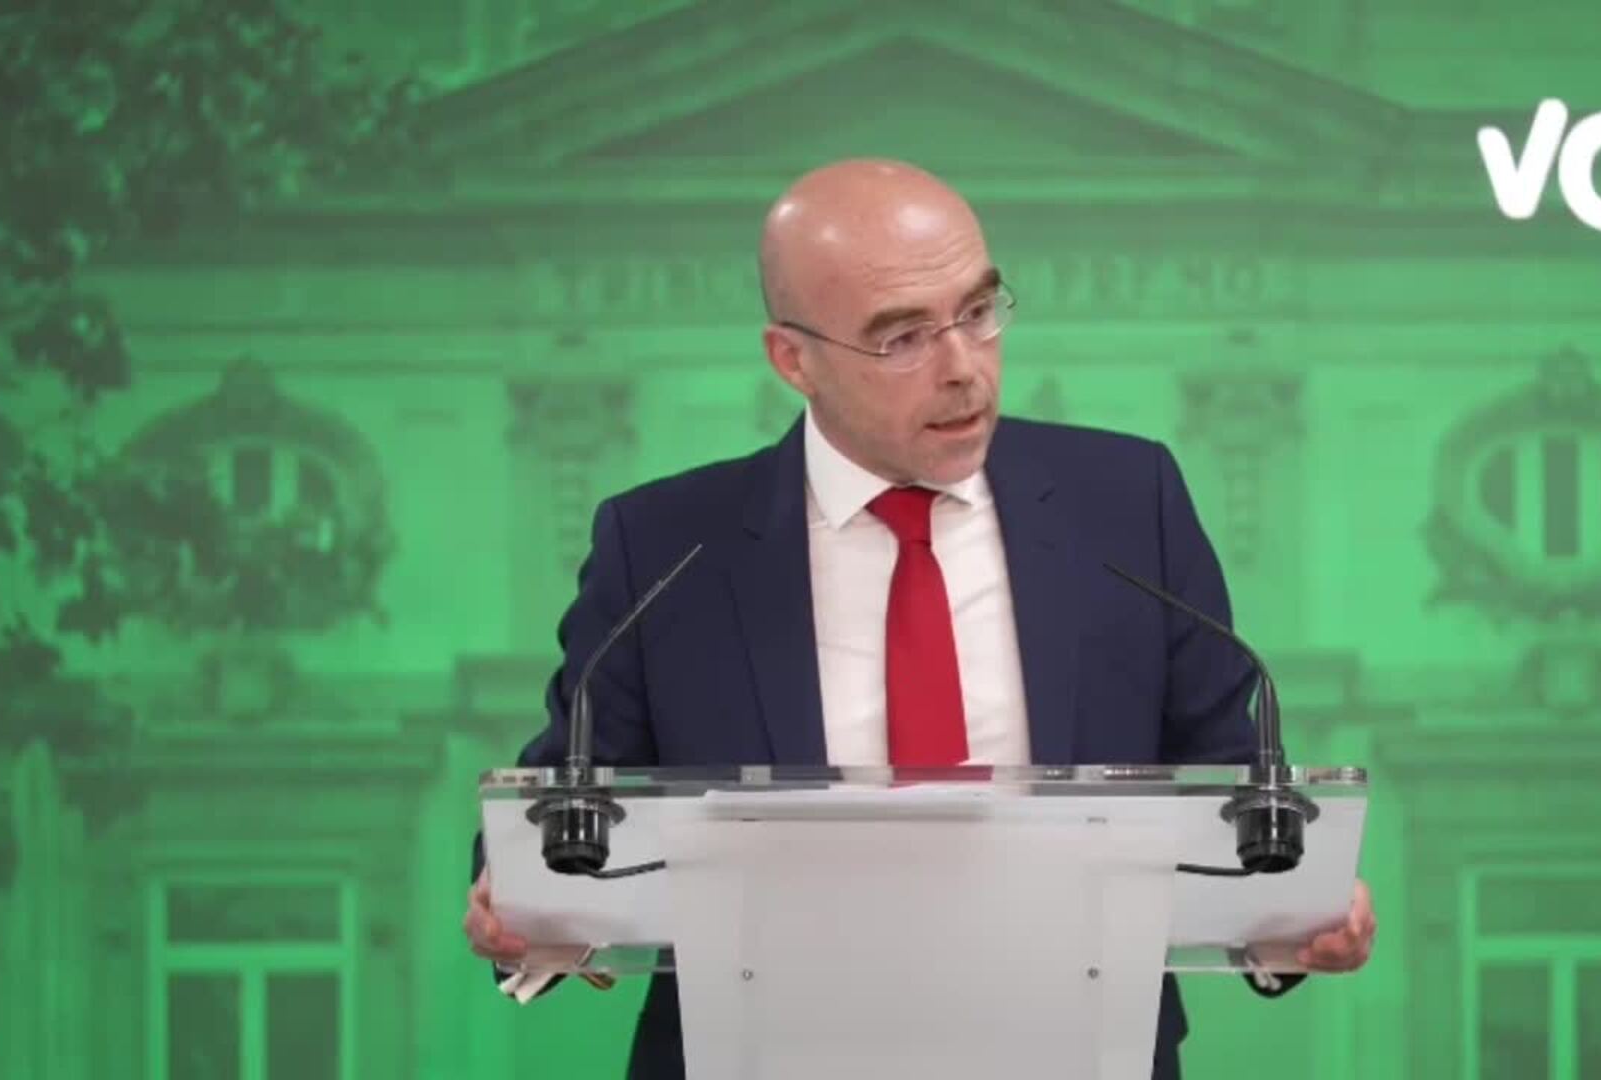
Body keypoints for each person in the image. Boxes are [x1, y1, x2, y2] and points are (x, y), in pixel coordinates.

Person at [465, 159, 1376, 1079]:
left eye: (978, 312)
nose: (964, 369)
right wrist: (526, 915)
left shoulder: (1127, 503)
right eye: (902, 338)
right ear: (793, 360)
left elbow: (1230, 785)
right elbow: (557, 808)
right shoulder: (667, 548)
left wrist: (1291, 919)